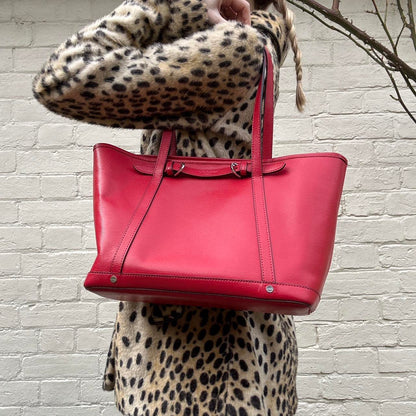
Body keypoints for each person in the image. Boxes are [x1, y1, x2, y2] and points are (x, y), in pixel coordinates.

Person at [32, 0, 305, 414]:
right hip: (229, 343)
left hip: (199, 362)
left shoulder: (230, 47)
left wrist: (167, 7)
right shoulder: (250, 41)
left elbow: (64, 76)